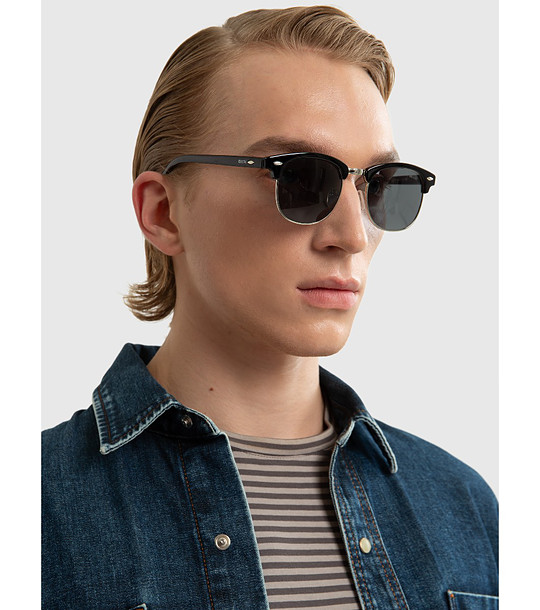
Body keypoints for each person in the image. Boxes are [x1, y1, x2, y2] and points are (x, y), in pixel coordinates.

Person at [42, 6, 498, 609]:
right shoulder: (34, 509)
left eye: (380, 183)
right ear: (163, 212)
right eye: (301, 178)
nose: (352, 234)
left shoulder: (468, 510)